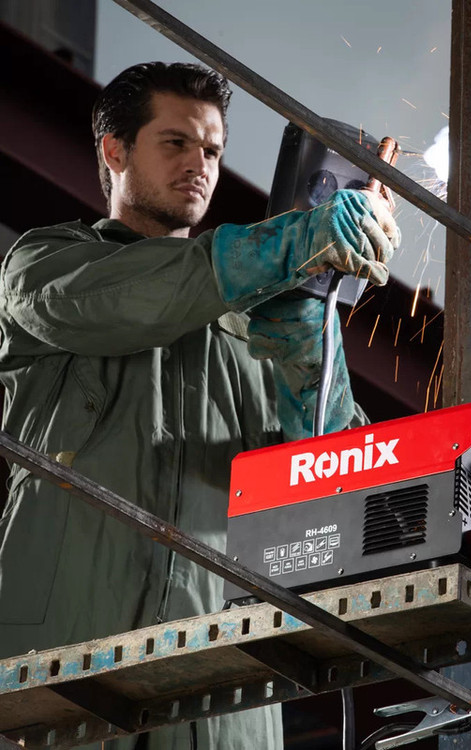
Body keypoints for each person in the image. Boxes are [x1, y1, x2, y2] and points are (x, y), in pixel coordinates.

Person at [0, 62, 399, 749]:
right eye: (176, 142)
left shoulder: (255, 323)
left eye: (212, 150)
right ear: (114, 151)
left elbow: (333, 473)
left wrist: (313, 343)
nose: (199, 164)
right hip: (60, 665)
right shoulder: (45, 266)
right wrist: (294, 242)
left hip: (222, 695)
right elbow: (133, 298)